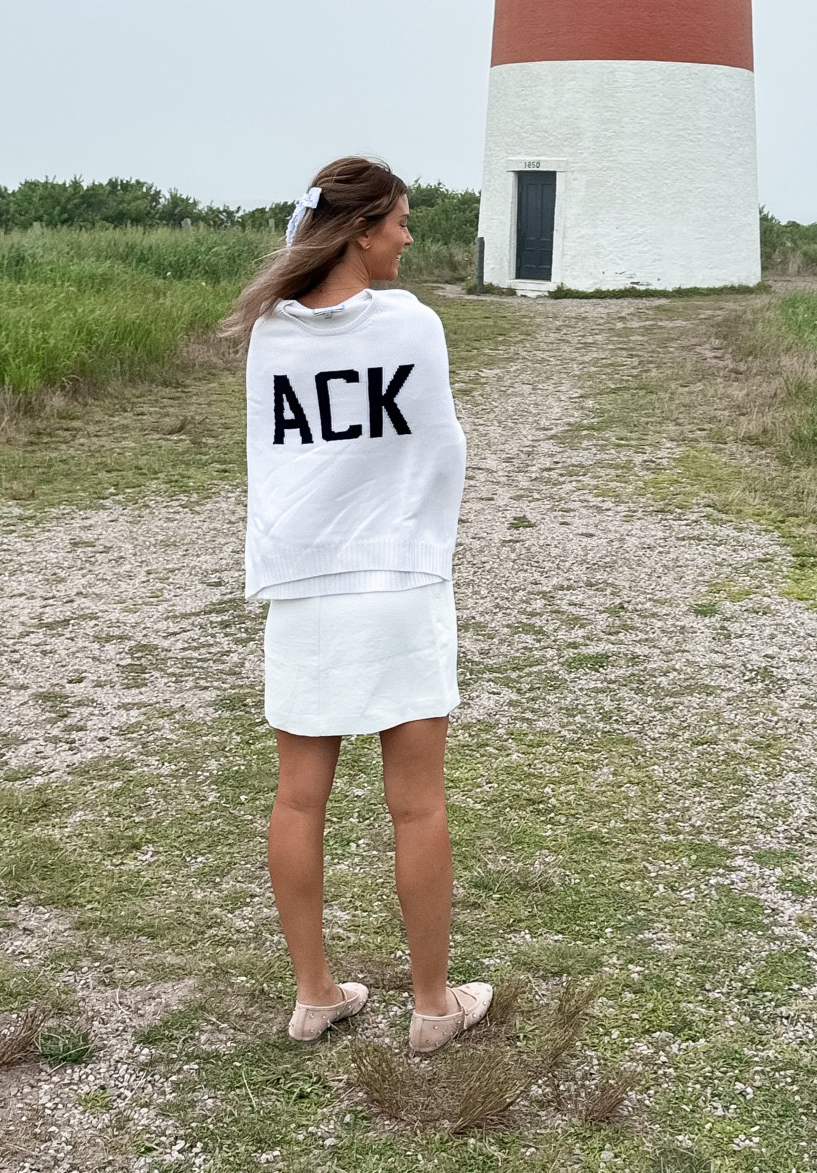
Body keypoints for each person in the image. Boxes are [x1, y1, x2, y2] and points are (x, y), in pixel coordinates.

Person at [224, 155, 491, 1055]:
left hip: (302, 585)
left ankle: (314, 994)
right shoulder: (411, 324)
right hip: (396, 581)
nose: (410, 238)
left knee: (298, 800)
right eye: (403, 222)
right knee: (415, 805)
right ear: (364, 227)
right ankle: (430, 1006)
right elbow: (440, 446)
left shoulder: (269, 332)